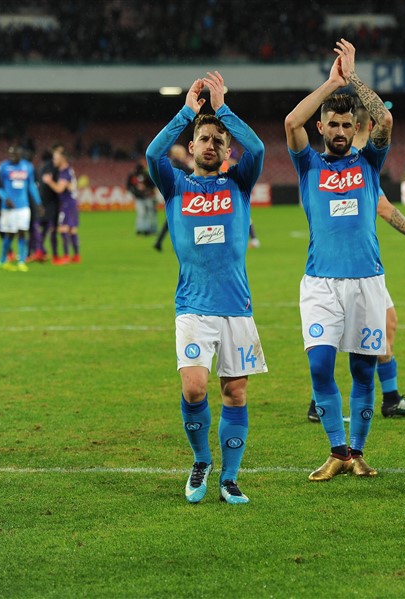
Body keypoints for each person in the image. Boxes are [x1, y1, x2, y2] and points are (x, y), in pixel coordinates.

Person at [146, 71, 267, 505]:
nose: (211, 144)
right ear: (192, 146)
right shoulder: (175, 184)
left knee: (235, 392)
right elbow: (153, 152)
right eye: (204, 139)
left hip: (236, 306)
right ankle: (201, 460)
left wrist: (223, 109)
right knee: (194, 387)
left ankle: (230, 477)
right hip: (193, 306)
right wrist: (187, 113)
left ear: (227, 149)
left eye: (218, 140)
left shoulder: (239, 182)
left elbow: (258, 148)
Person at [285, 39, 393, 482]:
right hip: (321, 283)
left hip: (367, 280)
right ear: (322, 127)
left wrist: (355, 79)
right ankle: (336, 451)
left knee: (363, 371)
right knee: (319, 366)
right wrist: (331, 84)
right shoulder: (308, 165)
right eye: (333, 123)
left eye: (347, 124)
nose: (341, 130)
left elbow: (385, 120)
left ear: (355, 127)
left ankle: (358, 453)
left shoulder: (369, 162)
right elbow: (291, 121)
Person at [306, 102, 405, 423]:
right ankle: (320, 401)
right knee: (335, 333)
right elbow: (383, 207)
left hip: (367, 267)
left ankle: (391, 398)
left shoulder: (362, 161)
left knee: (388, 322)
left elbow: (381, 204)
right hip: (342, 268)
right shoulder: (347, 162)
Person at [0, 145, 42, 272]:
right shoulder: (3, 167)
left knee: (22, 232)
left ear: (19, 155)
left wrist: (38, 202)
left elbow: (31, 185)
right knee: (9, 234)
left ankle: (22, 261)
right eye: (10, 154)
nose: (12, 156)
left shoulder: (27, 166)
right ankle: (2, 260)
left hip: (23, 206)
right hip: (8, 208)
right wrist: (5, 198)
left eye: (14, 154)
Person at [42, 147, 79, 264]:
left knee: (63, 228)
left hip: (66, 203)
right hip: (72, 202)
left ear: (62, 159)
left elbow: (59, 189)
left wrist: (49, 181)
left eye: (55, 158)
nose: (54, 160)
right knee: (72, 229)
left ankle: (66, 256)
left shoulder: (64, 172)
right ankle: (76, 256)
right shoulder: (69, 170)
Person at [152, 144, 191, 252]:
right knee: (182, 219)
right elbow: (189, 174)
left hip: (174, 195)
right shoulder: (179, 165)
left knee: (172, 219)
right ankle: (181, 243)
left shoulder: (171, 163)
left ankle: (159, 241)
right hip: (180, 195)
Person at [36, 146, 62, 263]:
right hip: (52, 202)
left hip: (42, 202)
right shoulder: (53, 168)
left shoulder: (41, 168)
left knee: (43, 228)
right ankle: (55, 255)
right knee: (53, 229)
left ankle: (39, 251)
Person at [128, 162, 157, 236]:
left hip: (144, 197)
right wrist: (147, 191)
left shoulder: (134, 176)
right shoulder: (145, 175)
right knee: (147, 213)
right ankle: (146, 229)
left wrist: (137, 192)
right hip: (144, 197)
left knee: (143, 213)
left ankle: (142, 228)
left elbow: (129, 186)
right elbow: (152, 185)